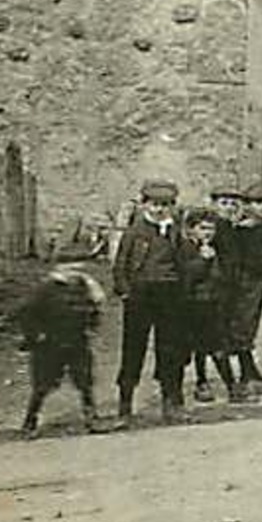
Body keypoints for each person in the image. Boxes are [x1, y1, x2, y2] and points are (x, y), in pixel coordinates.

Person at [113, 180, 189, 425]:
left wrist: (183, 290)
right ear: (144, 204)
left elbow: (184, 263)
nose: (159, 210)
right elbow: (120, 266)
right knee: (133, 350)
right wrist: (125, 292)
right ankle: (125, 406)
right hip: (140, 296)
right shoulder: (134, 232)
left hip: (169, 296)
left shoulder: (176, 232)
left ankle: (171, 402)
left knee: (170, 350)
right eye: (154, 204)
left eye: (165, 205)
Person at [16, 258, 109, 439]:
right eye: (72, 268)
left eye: (79, 268)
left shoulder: (83, 287)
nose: (77, 272)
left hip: (77, 340)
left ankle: (92, 418)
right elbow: (25, 312)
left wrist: (92, 326)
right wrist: (34, 335)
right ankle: (30, 422)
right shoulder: (45, 289)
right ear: (60, 269)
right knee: (42, 385)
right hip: (50, 344)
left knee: (85, 381)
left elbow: (94, 308)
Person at [178, 209, 248, 404]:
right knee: (207, 348)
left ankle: (214, 384)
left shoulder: (213, 248)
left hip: (213, 303)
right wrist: (203, 261)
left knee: (213, 344)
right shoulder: (186, 249)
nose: (207, 233)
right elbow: (187, 278)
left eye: (211, 229)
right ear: (191, 230)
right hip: (193, 305)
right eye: (202, 228)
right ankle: (220, 386)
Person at [223, 182, 262, 396]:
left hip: (257, 282)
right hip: (246, 283)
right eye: (256, 203)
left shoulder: (260, 227)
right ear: (247, 205)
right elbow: (252, 261)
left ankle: (250, 373)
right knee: (244, 326)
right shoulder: (244, 230)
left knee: (250, 325)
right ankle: (246, 376)